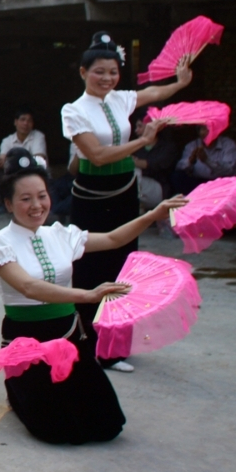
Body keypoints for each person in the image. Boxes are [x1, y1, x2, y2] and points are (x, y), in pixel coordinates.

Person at [0, 150, 187, 444]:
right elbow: (28, 287)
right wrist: (88, 295)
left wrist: (153, 214)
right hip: (27, 339)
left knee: (107, 425)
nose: (36, 205)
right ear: (8, 203)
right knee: (54, 430)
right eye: (25, 199)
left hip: (68, 336)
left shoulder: (61, 234)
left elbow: (114, 239)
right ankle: (19, 388)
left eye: (41, 196)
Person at [61, 31, 191, 372]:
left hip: (123, 192)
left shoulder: (120, 99)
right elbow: (98, 155)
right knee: (91, 268)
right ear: (82, 72)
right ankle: (91, 342)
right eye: (99, 71)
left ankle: (116, 343)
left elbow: (152, 92)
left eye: (113, 71)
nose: (107, 78)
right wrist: (143, 141)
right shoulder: (73, 110)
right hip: (91, 196)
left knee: (123, 266)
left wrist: (179, 83)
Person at [0, 108, 48, 215]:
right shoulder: (7, 140)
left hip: (34, 172)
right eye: (22, 120)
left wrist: (14, 162)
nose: (26, 123)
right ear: (15, 122)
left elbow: (38, 158)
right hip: (16, 173)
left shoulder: (38, 136)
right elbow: (2, 161)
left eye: (29, 120)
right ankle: (0, 205)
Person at [131, 112, 179, 212]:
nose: (136, 130)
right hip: (141, 186)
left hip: (159, 189)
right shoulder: (137, 148)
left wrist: (131, 161)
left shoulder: (167, 147)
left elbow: (154, 164)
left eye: (140, 126)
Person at [173, 126, 236, 194]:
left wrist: (207, 161)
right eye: (203, 129)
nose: (206, 133)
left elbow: (229, 170)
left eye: (209, 129)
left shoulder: (228, 144)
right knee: (178, 176)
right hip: (198, 183)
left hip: (221, 182)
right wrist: (190, 161)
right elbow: (179, 167)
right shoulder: (192, 145)